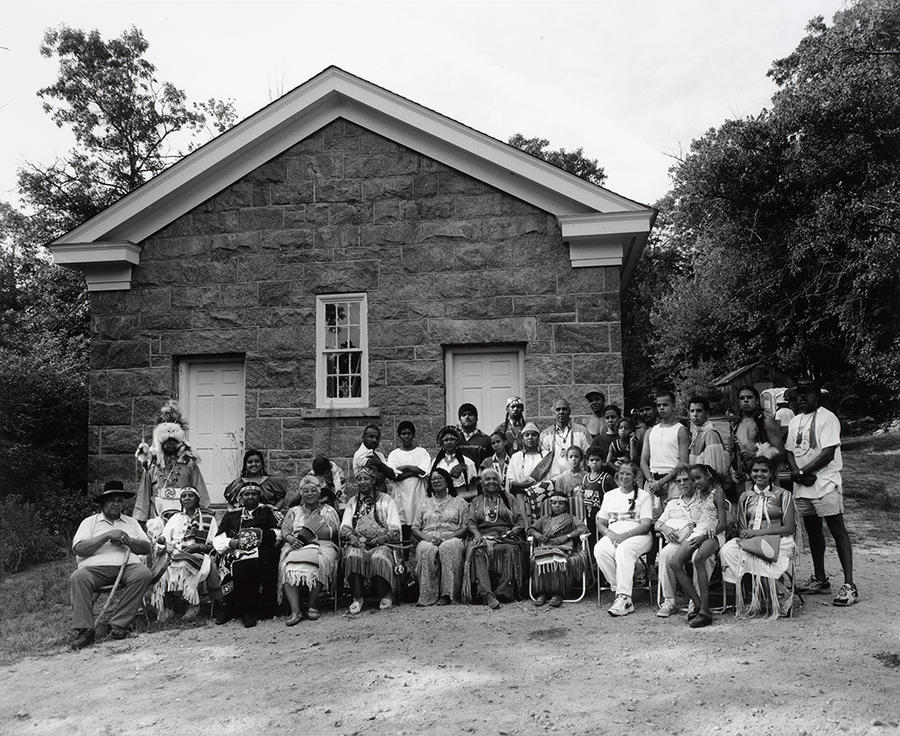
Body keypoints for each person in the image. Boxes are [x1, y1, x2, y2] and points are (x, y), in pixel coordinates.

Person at [785, 378, 857, 606]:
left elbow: (827, 452)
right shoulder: (796, 420)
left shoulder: (828, 418)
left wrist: (804, 470)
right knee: (813, 531)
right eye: (799, 394)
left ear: (818, 395)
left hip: (824, 482)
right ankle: (820, 578)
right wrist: (796, 472)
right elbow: (789, 450)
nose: (802, 398)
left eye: (807, 393)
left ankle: (849, 585)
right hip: (803, 485)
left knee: (837, 529)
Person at [69, 481, 153, 649]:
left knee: (143, 573)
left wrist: (128, 540)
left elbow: (146, 547)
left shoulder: (131, 523)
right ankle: (85, 630)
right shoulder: (90, 522)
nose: (116, 503)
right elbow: (80, 549)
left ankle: (118, 624)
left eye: (119, 500)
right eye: (111, 500)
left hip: (127, 567)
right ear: (102, 503)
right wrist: (107, 536)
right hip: (95, 570)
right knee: (78, 577)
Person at [719, 456, 797, 618]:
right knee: (728, 550)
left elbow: (788, 528)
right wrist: (746, 535)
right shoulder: (745, 496)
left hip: (779, 539)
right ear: (750, 473)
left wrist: (758, 533)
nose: (759, 474)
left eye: (764, 471)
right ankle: (751, 594)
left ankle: (777, 595)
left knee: (754, 555)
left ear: (771, 473)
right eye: (755, 471)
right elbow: (742, 527)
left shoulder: (783, 495)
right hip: (752, 540)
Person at [656, 465, 727, 627]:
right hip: (698, 531)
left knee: (699, 559)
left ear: (708, 475)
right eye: (693, 479)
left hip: (713, 533)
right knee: (674, 562)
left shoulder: (717, 493)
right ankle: (699, 605)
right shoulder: (697, 494)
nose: (695, 482)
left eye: (698, 478)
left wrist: (703, 536)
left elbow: (723, 523)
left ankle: (703, 610)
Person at [212, 482, 282, 627]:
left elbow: (280, 533)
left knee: (251, 563)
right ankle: (228, 606)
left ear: (259, 496)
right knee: (230, 563)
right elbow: (218, 539)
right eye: (246, 494)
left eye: (254, 494)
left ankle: (248, 610)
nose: (250, 497)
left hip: (261, 550)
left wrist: (259, 535)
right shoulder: (232, 515)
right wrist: (231, 543)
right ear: (241, 497)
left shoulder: (268, 512)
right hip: (234, 550)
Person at [279, 476, 341, 625]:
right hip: (296, 545)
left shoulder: (328, 511)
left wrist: (311, 534)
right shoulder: (294, 511)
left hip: (322, 545)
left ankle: (312, 605)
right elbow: (285, 529)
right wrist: (291, 539)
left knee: (321, 561)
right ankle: (295, 611)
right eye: (306, 491)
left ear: (319, 492)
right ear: (301, 493)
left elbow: (333, 531)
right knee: (287, 566)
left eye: (313, 490)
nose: (310, 494)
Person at [593, 463, 653, 617]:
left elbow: (646, 525)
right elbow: (600, 521)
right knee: (600, 550)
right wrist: (609, 533)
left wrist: (624, 536)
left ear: (635, 477)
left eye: (628, 474)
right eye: (622, 474)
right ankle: (618, 589)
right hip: (614, 533)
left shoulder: (644, 496)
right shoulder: (610, 495)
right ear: (617, 475)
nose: (624, 477)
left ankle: (624, 599)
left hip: (638, 535)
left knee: (623, 550)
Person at [340, 467, 402, 614]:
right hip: (359, 543)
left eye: (366, 478)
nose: (362, 482)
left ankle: (386, 594)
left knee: (379, 557)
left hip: (381, 543)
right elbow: (345, 526)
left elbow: (395, 527)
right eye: (359, 479)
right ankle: (357, 598)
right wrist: (351, 537)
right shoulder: (352, 502)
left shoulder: (386, 500)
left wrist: (383, 538)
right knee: (353, 556)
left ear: (373, 481)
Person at [155, 487, 223, 622]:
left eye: (190, 496)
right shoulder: (175, 518)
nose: (186, 498)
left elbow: (214, 543)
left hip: (199, 553)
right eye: (184, 496)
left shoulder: (208, 517)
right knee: (164, 567)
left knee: (188, 562)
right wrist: (164, 544)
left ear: (197, 499)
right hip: (174, 552)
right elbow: (164, 539)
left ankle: (193, 604)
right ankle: (168, 606)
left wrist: (197, 546)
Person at [134, 400, 209, 522]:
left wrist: (202, 515)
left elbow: (199, 491)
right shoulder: (152, 465)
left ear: (179, 442)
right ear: (160, 443)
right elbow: (144, 495)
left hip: (184, 517)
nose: (170, 444)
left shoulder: (189, 464)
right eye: (167, 441)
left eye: (173, 441)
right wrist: (141, 520)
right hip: (157, 517)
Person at [462, 468, 526, 609]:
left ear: (500, 481)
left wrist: (512, 532)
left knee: (512, 549)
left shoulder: (509, 499)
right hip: (483, 536)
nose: (491, 482)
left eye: (494, 479)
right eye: (487, 479)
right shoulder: (476, 501)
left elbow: (521, 522)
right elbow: (471, 522)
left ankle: (503, 592)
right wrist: (477, 534)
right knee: (477, 549)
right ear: (482, 482)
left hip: (505, 537)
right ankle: (486, 594)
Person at [410, 469, 469, 606]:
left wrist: (450, 536)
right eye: (433, 479)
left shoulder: (459, 502)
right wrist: (426, 537)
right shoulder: (425, 503)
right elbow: (414, 527)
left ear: (447, 481)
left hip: (452, 537)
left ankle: (447, 594)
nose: (436, 481)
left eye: (440, 478)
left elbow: (465, 526)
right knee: (426, 549)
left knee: (447, 547)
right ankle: (427, 595)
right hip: (428, 537)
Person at [528, 487, 589, 607]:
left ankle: (559, 593)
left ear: (566, 506)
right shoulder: (545, 519)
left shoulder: (571, 518)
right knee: (541, 559)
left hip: (564, 547)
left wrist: (567, 536)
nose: (557, 506)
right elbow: (530, 529)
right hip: (545, 547)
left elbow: (583, 528)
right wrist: (538, 535)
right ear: (550, 505)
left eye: (561, 503)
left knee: (558, 559)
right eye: (554, 503)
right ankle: (542, 593)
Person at [387, 420, 432, 542]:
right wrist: (414, 471)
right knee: (404, 523)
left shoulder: (421, 452)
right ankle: (405, 556)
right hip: (401, 493)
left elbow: (424, 472)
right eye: (403, 433)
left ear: (413, 435)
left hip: (418, 492)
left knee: (419, 521)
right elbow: (394, 476)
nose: (406, 436)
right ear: (399, 435)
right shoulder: (394, 454)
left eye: (409, 433)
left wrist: (405, 467)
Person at [640, 390, 690, 500]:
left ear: (673, 406)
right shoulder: (650, 431)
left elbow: (683, 462)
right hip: (652, 482)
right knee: (652, 516)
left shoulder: (680, 430)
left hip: (674, 482)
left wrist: (662, 482)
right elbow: (643, 461)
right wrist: (651, 482)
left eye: (665, 405)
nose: (661, 408)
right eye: (659, 405)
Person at [731, 385, 784, 488]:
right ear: (738, 402)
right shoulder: (735, 424)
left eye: (749, 397)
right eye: (742, 398)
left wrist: (755, 456)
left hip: (766, 478)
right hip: (744, 480)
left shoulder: (765, 421)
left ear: (757, 401)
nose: (745, 400)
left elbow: (780, 453)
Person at [506, 421, 554, 524]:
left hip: (544, 496)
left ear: (538, 438)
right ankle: (527, 529)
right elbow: (510, 481)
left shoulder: (547, 456)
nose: (530, 437)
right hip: (521, 495)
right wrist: (520, 484)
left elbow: (555, 477)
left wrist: (537, 488)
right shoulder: (516, 457)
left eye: (534, 435)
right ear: (522, 439)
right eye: (527, 435)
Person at [540, 399, 592, 478]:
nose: (561, 412)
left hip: (578, 479)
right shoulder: (545, 434)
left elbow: (590, 456)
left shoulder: (582, 431)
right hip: (554, 481)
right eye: (558, 409)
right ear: (554, 413)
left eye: (564, 409)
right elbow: (543, 463)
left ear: (569, 411)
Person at [582, 446, 618, 548]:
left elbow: (616, 495)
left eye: (597, 460)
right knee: (590, 537)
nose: (594, 462)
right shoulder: (585, 478)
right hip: (588, 514)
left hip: (602, 514)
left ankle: (600, 559)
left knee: (601, 538)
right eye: (591, 460)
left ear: (602, 461)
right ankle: (592, 561)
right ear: (587, 462)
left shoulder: (606, 478)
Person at [431, 425, 478, 501]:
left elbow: (473, 487)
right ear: (442, 443)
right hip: (440, 501)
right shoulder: (435, 463)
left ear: (457, 442)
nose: (449, 442)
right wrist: (451, 475)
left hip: (461, 501)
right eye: (446, 440)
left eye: (452, 439)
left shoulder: (468, 462)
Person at [688, 396, 729, 478]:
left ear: (706, 413)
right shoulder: (696, 433)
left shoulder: (710, 433)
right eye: (692, 411)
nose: (695, 414)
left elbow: (714, 469)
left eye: (699, 411)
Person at [457, 403, 494, 468]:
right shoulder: (454, 440)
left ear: (476, 418)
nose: (467, 417)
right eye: (464, 415)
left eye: (470, 414)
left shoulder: (486, 440)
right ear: (460, 419)